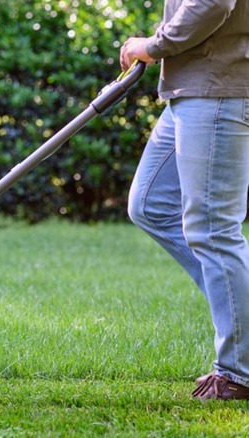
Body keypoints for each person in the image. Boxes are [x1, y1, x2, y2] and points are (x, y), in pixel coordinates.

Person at [120, 0, 249, 400]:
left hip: (217, 90)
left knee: (213, 231)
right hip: (190, 88)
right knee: (150, 204)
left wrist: (154, 45)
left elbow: (212, 2)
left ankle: (238, 374)